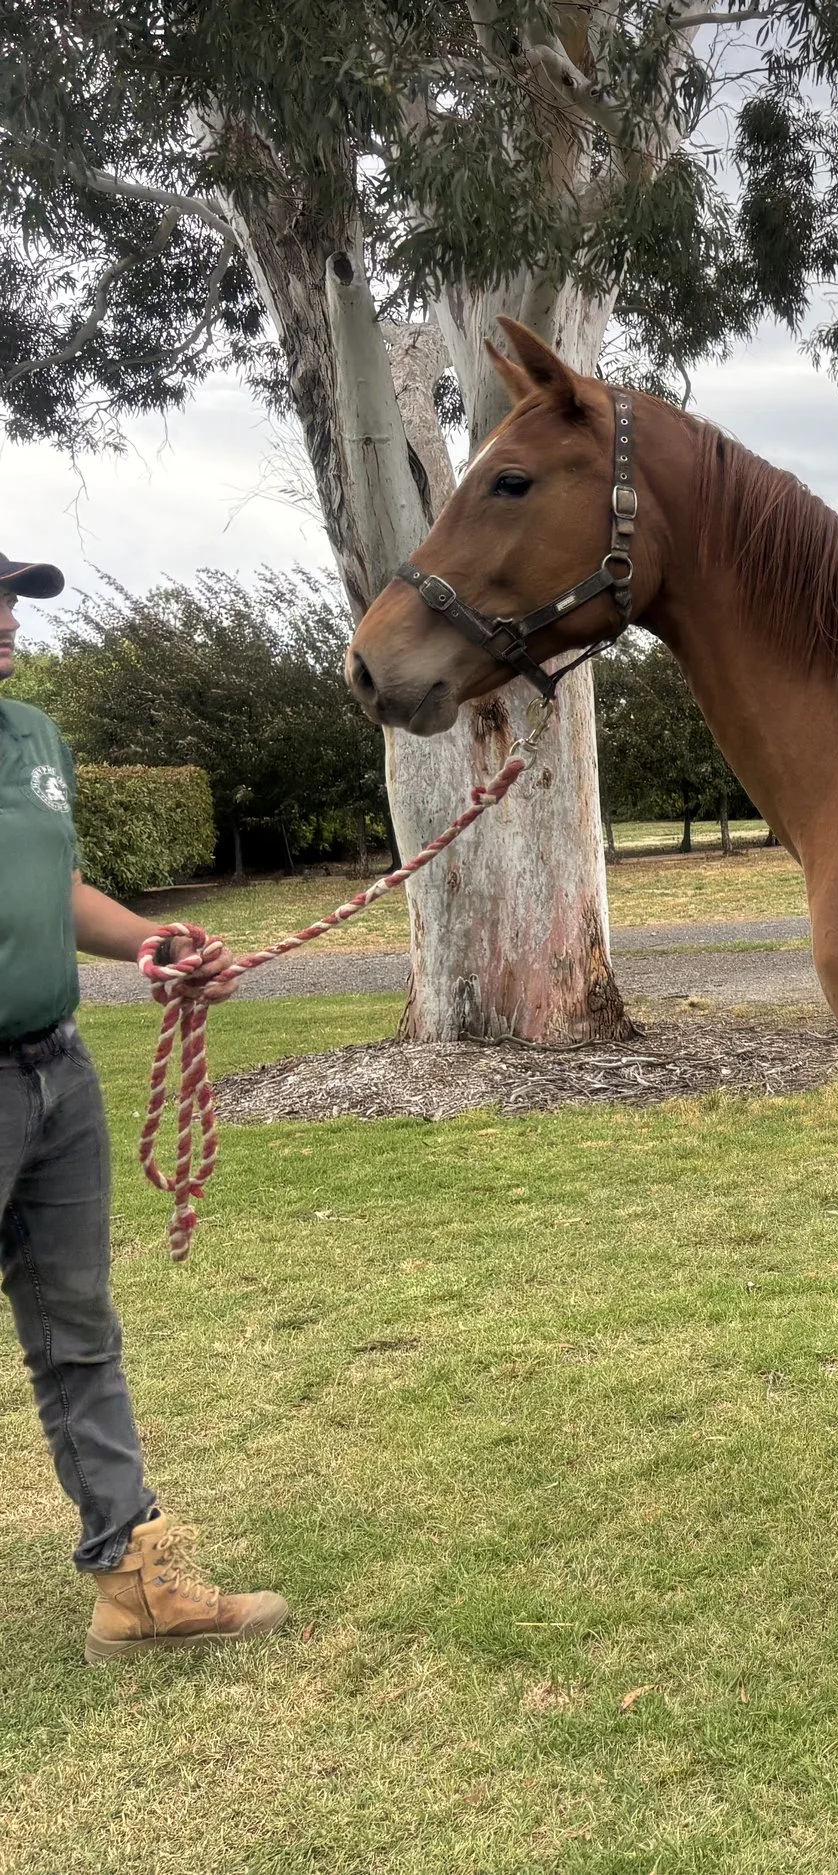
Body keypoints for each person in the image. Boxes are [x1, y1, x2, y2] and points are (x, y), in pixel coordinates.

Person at [0, 550, 288, 1664]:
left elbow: (55, 887)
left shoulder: (32, 737)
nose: (10, 617)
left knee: (79, 1336)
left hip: (54, 1073)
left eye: (13, 597)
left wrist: (154, 944)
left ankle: (132, 1579)